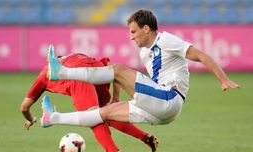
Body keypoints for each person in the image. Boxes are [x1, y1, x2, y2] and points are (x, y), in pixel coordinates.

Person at [41, 9, 240, 129]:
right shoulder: (145, 52)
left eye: (134, 31)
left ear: (146, 29)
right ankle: (54, 118)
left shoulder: (166, 40)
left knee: (117, 69)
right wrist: (116, 97)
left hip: (170, 97)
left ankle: (63, 73)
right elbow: (128, 81)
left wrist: (223, 79)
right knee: (105, 112)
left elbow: (202, 56)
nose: (131, 36)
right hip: (160, 110)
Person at [20, 53, 158, 152]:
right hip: (95, 71)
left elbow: (24, 108)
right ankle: (145, 137)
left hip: (77, 79)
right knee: (105, 113)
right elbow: (112, 69)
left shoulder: (45, 73)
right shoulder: (77, 55)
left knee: (92, 117)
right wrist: (116, 97)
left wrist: (31, 119)